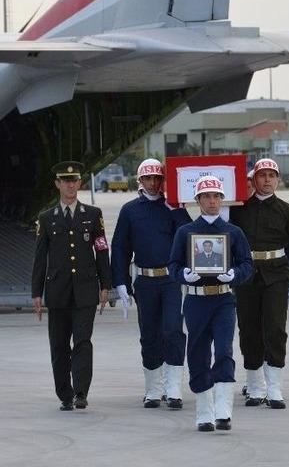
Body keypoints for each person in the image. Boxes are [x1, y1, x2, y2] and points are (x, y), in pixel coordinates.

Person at [168, 175, 253, 431]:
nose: (212, 201)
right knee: (198, 353)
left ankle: (223, 411)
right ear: (198, 200)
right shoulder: (185, 232)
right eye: (206, 196)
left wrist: (234, 275)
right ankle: (204, 411)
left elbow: (247, 264)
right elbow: (173, 265)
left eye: (216, 196)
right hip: (196, 301)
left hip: (223, 299)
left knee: (224, 350)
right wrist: (183, 275)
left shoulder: (233, 232)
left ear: (222, 199)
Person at [111, 159, 192, 409]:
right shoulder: (129, 210)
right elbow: (120, 247)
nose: (153, 183)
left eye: (158, 178)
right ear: (140, 181)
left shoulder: (173, 207)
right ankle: (154, 388)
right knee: (149, 334)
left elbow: (189, 236)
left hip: (171, 280)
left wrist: (176, 209)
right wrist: (121, 282)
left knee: (173, 331)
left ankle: (173, 388)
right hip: (144, 280)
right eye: (148, 178)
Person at [31, 161, 111, 411]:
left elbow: (101, 250)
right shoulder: (47, 218)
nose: (70, 185)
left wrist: (105, 285)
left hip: (86, 290)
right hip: (57, 292)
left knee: (83, 342)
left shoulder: (93, 215)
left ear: (79, 183)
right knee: (59, 345)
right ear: (57, 184)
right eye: (65, 181)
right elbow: (40, 258)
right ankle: (64, 393)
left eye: (74, 181)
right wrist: (36, 293)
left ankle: (80, 392)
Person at [230, 158, 289, 409]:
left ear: (278, 180)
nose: (267, 180)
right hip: (246, 275)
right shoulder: (238, 210)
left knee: (275, 329)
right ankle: (255, 386)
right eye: (262, 175)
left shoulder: (288, 211)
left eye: (271, 176)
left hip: (276, 275)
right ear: (253, 179)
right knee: (249, 329)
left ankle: (274, 388)